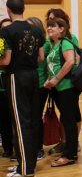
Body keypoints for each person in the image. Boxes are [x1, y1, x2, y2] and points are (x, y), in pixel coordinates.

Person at [0, 0, 45, 177]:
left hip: (16, 77)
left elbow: (6, 60)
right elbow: (40, 57)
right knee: (31, 120)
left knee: (19, 122)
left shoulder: (6, 31)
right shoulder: (36, 30)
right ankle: (26, 163)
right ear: (23, 9)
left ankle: (25, 168)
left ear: (8, 10)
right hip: (33, 76)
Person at [44, 18, 80, 167]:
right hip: (59, 88)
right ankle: (68, 151)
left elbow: (70, 61)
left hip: (67, 88)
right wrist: (49, 79)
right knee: (66, 120)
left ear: (61, 29)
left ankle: (70, 155)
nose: (50, 28)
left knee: (69, 121)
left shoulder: (65, 43)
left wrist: (56, 79)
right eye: (48, 26)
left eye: (53, 26)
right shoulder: (53, 44)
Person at [27, 17, 48, 160]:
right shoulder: (29, 42)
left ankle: (38, 147)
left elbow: (40, 59)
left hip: (40, 85)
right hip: (28, 84)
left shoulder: (44, 44)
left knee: (36, 116)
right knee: (28, 117)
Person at [0, 18, 13, 159]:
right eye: (3, 28)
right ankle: (7, 147)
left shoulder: (16, 43)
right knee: (3, 119)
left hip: (13, 83)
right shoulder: (0, 43)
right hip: (2, 87)